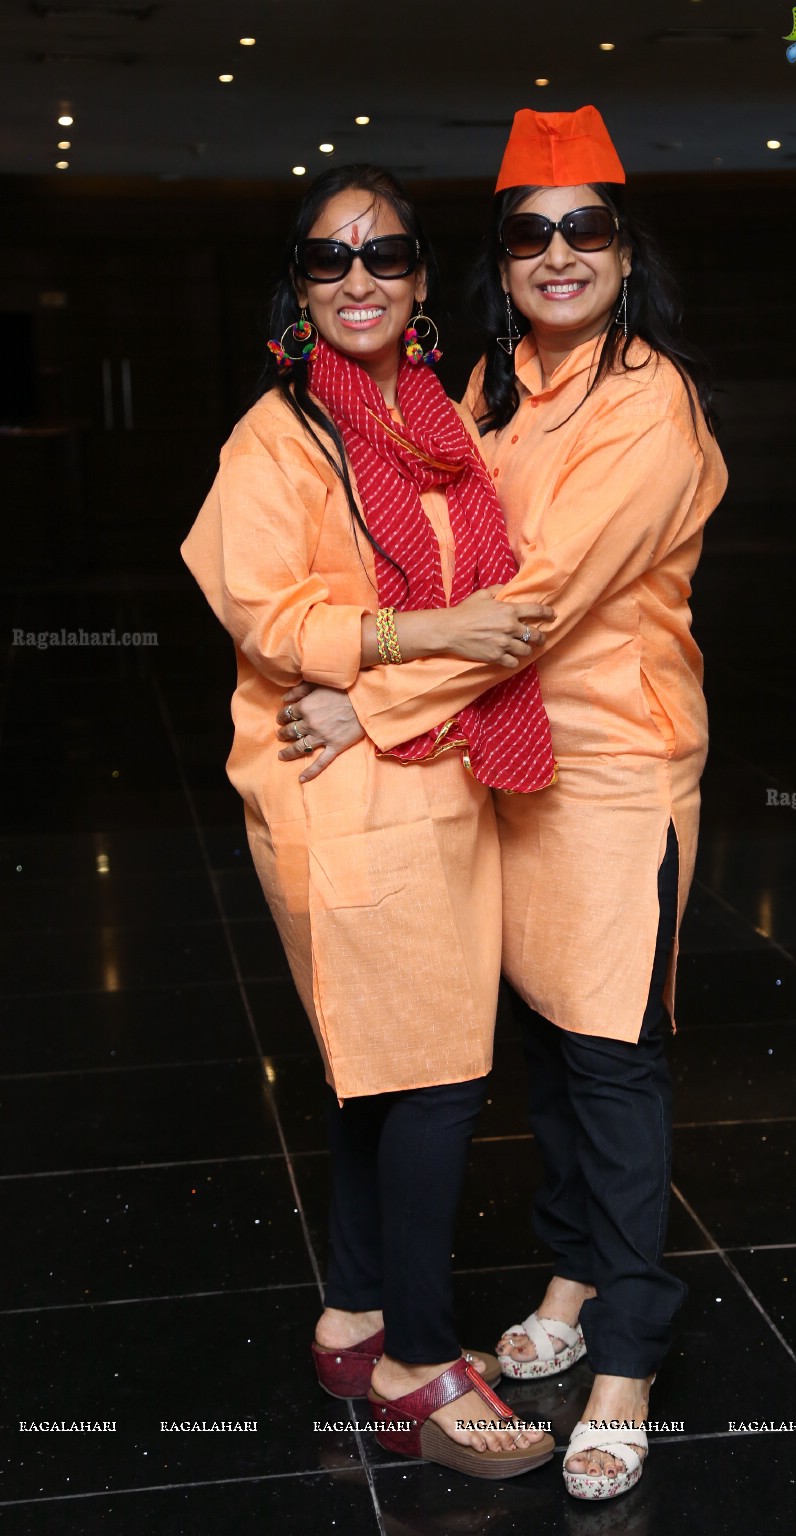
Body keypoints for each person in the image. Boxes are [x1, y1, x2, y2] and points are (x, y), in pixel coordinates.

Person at [276, 109, 727, 1502]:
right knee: (540, 1040)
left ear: (628, 250)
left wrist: (368, 697)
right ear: (498, 261)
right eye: (530, 231)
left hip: (609, 770)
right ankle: (575, 1274)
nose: (558, 253)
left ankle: (630, 1355)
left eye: (586, 227)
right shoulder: (485, 384)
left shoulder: (650, 404)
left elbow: (535, 602)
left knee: (612, 1059)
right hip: (495, 758)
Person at [181, 163, 557, 1480]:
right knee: (438, 1078)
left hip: (438, 775)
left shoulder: (440, 426)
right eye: (331, 262)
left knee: (378, 1072)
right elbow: (267, 616)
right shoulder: (276, 439)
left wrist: (396, 679)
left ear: (418, 283)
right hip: (340, 796)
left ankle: (353, 1316)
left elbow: (504, 608)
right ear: (300, 288)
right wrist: (418, 637)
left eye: (386, 257)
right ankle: (415, 1357)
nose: (360, 281)